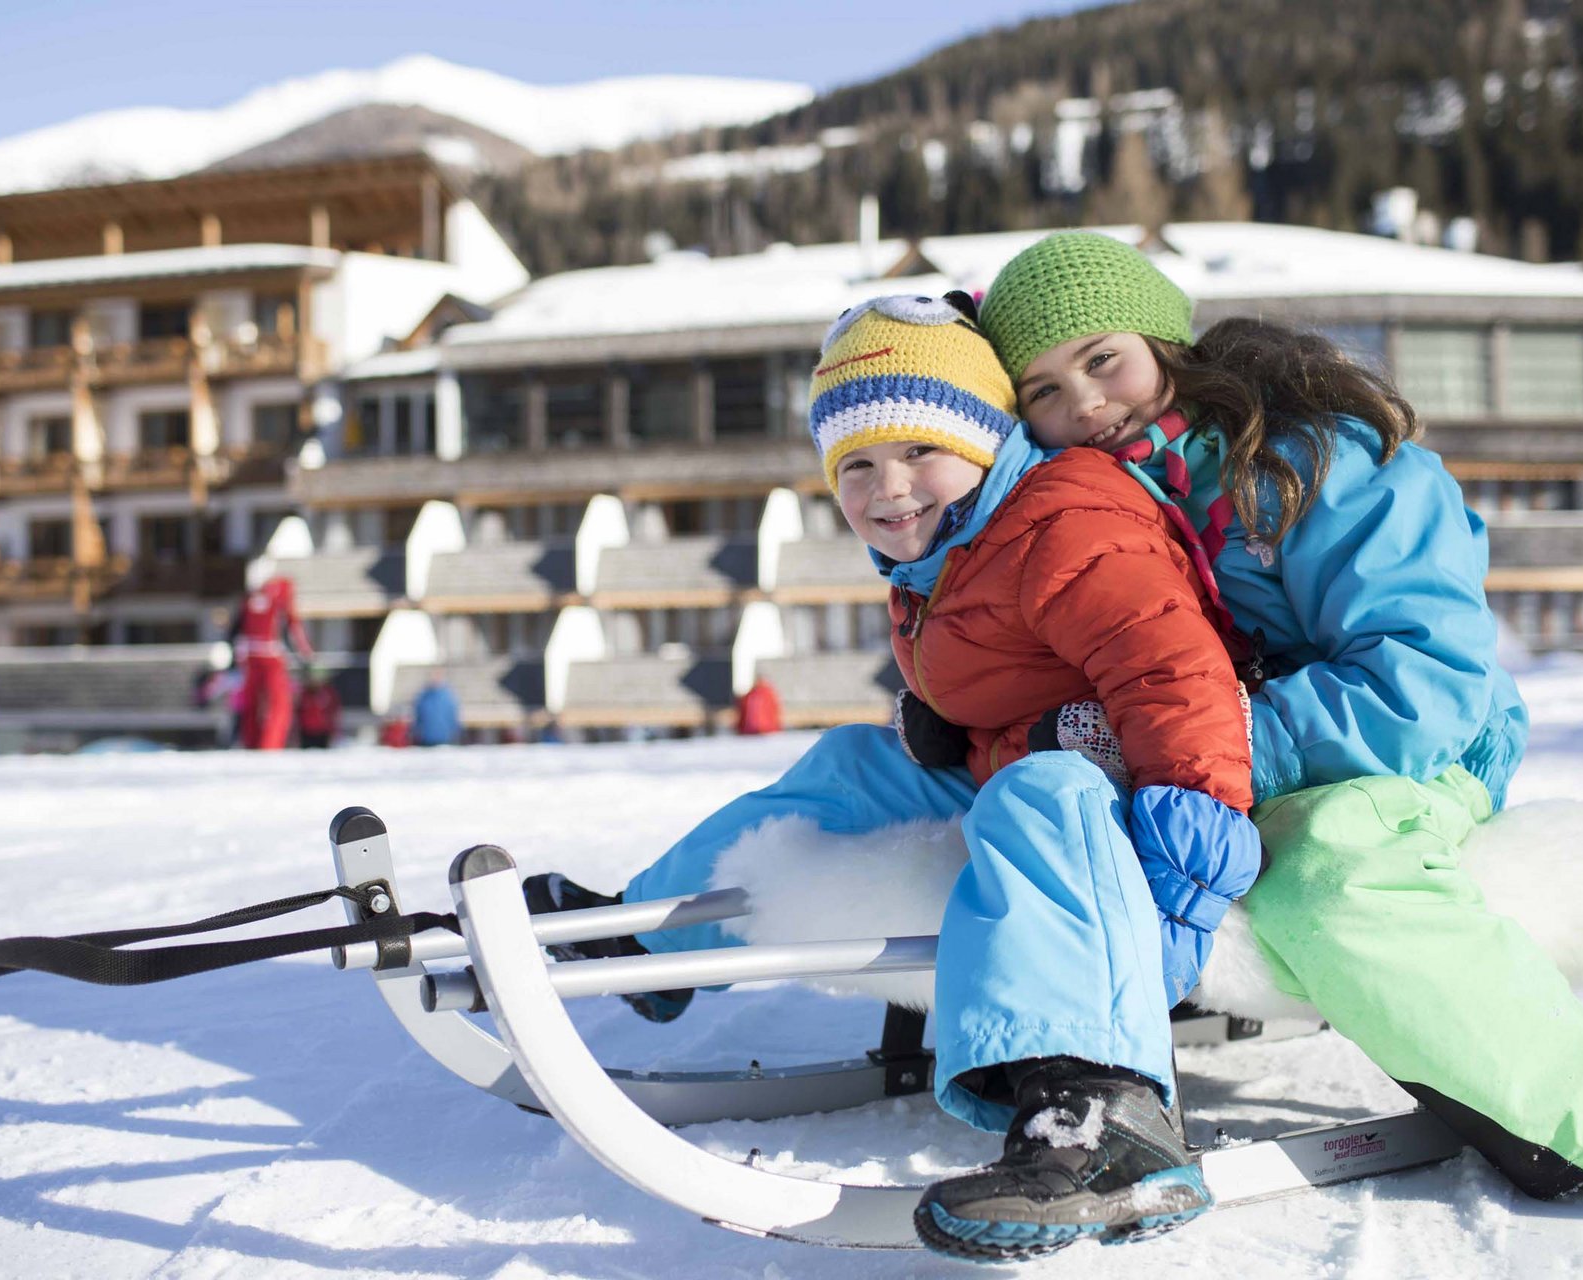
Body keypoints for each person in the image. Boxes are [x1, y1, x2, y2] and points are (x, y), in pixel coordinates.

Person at [951, 229, 1583, 1228]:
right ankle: (1082, 1070)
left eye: (1102, 359)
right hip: (1241, 758)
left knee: (1324, 867)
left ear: (1163, 340)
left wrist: (1233, 740)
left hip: (1414, 746)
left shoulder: (1308, 460)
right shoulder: (1101, 504)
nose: (1083, 403)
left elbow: (1422, 672)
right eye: (1043, 390)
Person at [526, 294, 1262, 1259]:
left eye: (920, 449)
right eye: (858, 466)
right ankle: (646, 933)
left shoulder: (1068, 523)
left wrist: (1190, 858)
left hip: (1152, 798)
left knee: (1041, 792)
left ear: (985, 439)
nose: (890, 487)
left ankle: (1104, 1111)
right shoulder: (943, 547)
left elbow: (1174, 678)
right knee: (853, 764)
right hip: (1033, 766)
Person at [228, 576, 313, 750]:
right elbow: (293, 629)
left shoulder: (249, 600)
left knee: (251, 703)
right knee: (280, 704)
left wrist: (234, 658)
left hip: (250, 657)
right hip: (272, 655)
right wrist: (306, 656)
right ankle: (271, 744)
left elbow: (234, 630)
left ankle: (252, 742)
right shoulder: (280, 600)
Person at [411, 671, 462, 747]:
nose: (435, 679)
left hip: (444, 739)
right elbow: (417, 717)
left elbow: (454, 718)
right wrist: (416, 732)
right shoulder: (423, 697)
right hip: (426, 739)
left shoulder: (449, 697)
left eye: (438, 677)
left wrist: (454, 734)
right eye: (433, 677)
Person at [296, 666, 342, 749]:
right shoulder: (303, 694)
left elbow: (334, 712)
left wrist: (333, 730)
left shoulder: (328, 693)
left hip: (323, 732)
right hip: (307, 732)